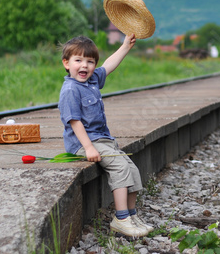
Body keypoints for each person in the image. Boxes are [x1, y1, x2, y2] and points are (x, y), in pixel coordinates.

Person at [58, 34, 153, 237]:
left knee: (131, 168)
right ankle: (121, 218)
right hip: (84, 142)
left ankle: (131, 214)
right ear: (66, 63)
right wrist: (89, 148)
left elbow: (109, 64)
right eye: (78, 60)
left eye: (90, 61)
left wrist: (125, 46)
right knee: (119, 167)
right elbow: (74, 122)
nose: (84, 66)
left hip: (103, 140)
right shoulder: (70, 90)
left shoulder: (91, 80)